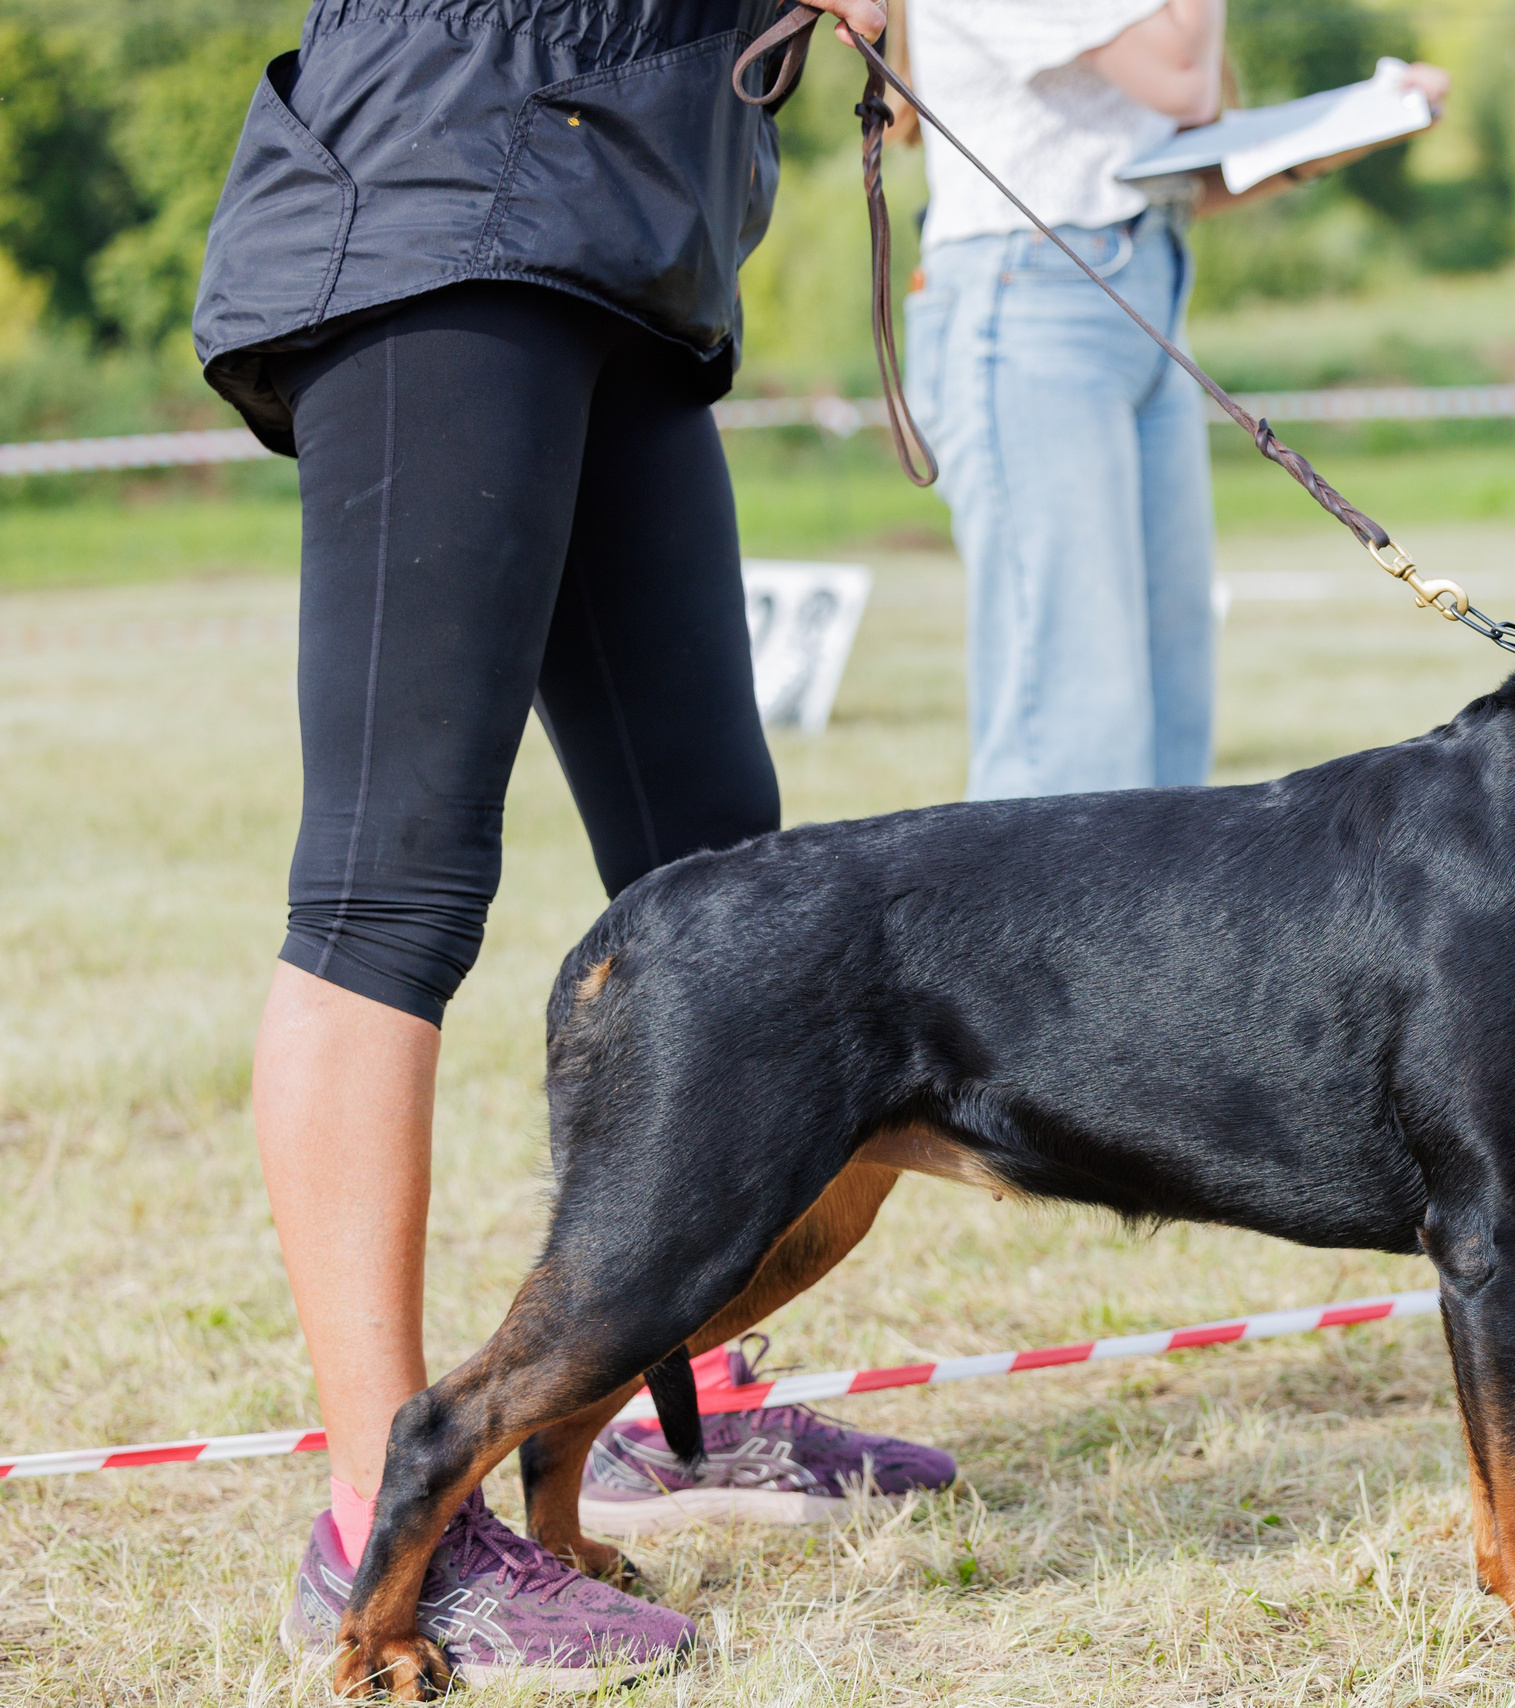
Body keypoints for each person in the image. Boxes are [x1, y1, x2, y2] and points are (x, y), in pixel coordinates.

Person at [192, 0, 953, 1689]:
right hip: (447, 194)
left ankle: (672, 1401)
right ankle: (375, 1524)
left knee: (735, 889)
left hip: (624, 231)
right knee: (388, 890)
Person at [899, 0, 1449, 800]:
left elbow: (1176, 161)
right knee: (1074, 720)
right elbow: (1183, 77)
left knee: (1169, 700)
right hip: (1031, 297)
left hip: (1140, 275)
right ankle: (1036, 928)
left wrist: (1362, 123)